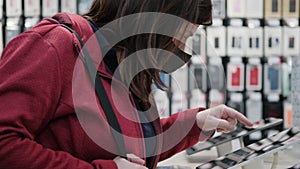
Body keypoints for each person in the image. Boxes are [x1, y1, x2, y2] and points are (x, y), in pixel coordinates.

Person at [0, 0, 253, 169]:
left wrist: (195, 124)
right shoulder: (54, 46)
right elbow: (5, 144)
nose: (181, 49)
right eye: (183, 36)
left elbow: (131, 146)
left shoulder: (122, 65)